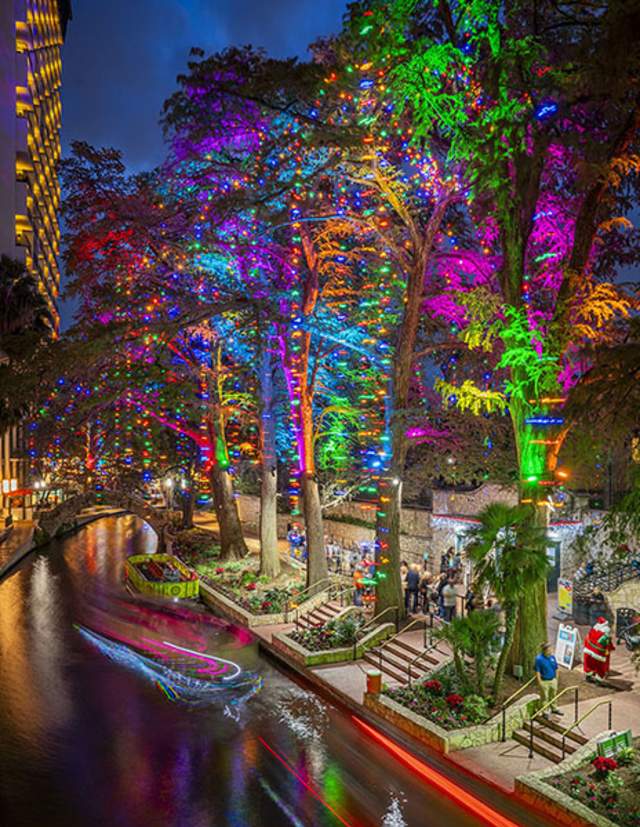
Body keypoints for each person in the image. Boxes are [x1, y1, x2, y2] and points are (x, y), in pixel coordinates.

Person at [583, 616, 615, 683]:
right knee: (600, 667)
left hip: (588, 652)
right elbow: (608, 645)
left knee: (589, 665)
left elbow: (586, 640)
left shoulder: (592, 631)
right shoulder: (605, 635)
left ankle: (588, 676)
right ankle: (598, 681)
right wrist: (611, 648)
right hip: (599, 655)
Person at [534, 642, 563, 716]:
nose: (550, 651)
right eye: (549, 650)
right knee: (545, 697)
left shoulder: (552, 657)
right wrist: (539, 682)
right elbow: (537, 671)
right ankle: (545, 711)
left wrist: (556, 679)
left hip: (553, 680)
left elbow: (556, 668)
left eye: (551, 649)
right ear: (544, 650)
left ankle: (554, 708)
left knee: (553, 695)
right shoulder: (539, 659)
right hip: (544, 681)